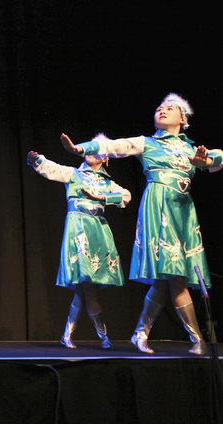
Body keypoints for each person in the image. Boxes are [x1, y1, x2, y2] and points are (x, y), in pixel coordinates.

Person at [61, 93, 223, 355]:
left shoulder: (190, 148)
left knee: (165, 280)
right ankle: (197, 341)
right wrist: (81, 149)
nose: (162, 110)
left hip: (183, 210)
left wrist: (206, 160)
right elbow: (113, 146)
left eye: (170, 108)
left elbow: (218, 157)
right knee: (176, 277)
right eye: (159, 107)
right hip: (159, 207)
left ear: (183, 118)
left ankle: (141, 333)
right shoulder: (146, 143)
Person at [26, 136, 131, 350]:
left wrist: (103, 198)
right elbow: (53, 169)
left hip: (98, 230)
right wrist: (37, 161)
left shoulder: (107, 183)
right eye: (89, 149)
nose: (92, 152)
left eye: (98, 150)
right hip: (79, 229)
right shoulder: (74, 174)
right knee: (86, 285)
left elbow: (126, 196)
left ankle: (69, 336)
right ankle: (103, 337)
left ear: (106, 157)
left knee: (85, 288)